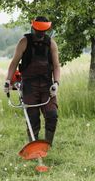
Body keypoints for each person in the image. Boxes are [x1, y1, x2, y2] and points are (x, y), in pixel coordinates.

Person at [4, 16, 60, 146]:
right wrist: (7, 81)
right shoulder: (24, 42)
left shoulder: (51, 43)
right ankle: (33, 146)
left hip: (47, 85)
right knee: (32, 118)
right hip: (29, 87)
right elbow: (14, 63)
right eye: (38, 30)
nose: (41, 33)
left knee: (52, 114)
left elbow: (56, 66)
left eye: (43, 31)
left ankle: (47, 145)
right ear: (33, 28)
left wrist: (56, 83)